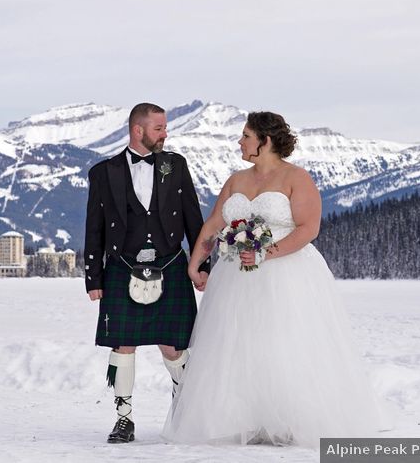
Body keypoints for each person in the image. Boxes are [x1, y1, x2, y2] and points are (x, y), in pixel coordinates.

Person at [162, 111, 390, 448]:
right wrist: (195, 262)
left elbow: (309, 228)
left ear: (265, 141)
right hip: (235, 275)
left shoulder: (296, 178)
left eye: (246, 136)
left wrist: (267, 253)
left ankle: (290, 419)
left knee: (284, 341)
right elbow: (212, 225)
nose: (239, 142)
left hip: (288, 273)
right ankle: (244, 418)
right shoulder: (235, 180)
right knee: (236, 343)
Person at [83, 102, 210, 444]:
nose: (165, 134)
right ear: (138, 130)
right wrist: (93, 277)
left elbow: (193, 219)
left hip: (170, 265)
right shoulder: (103, 172)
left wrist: (201, 265)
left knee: (174, 346)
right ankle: (124, 419)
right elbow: (93, 228)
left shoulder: (175, 165)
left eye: (165, 128)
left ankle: (185, 410)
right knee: (122, 345)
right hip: (122, 268)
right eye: (159, 128)